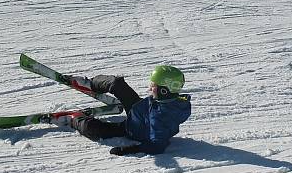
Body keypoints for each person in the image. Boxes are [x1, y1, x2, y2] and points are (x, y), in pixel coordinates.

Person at [53, 65, 192, 156]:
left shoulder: (160, 117)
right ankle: (90, 84)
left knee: (93, 128)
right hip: (139, 110)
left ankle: (74, 119)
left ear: (164, 90)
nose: (150, 88)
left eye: (153, 86)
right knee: (117, 84)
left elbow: (157, 146)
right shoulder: (173, 101)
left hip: (132, 129)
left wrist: (128, 150)